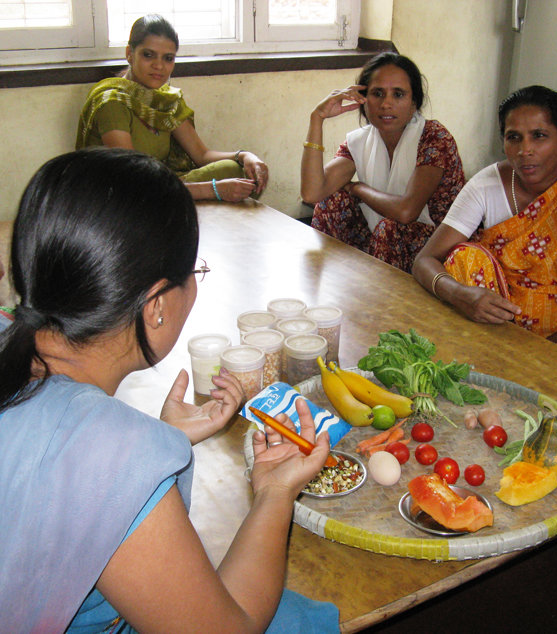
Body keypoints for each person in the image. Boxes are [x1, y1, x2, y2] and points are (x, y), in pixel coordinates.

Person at [0, 148, 338, 632]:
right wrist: (275, 493)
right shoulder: (109, 450)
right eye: (194, 272)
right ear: (156, 305)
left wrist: (156, 441)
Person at [412, 85, 557, 341]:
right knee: (466, 258)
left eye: (539, 136)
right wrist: (461, 295)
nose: (525, 150)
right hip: (497, 320)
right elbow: (425, 261)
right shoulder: (486, 186)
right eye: (514, 137)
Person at [301, 52, 466, 272]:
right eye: (377, 93)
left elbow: (407, 211)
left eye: (398, 94)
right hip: (386, 241)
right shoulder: (360, 141)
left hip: (440, 250)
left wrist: (358, 188)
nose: (386, 104)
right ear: (363, 100)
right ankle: (337, 282)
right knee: (332, 201)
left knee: (390, 229)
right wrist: (317, 118)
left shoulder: (434, 138)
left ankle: (383, 291)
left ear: (414, 103)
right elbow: (312, 193)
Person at [76, 14, 268, 202]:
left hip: (157, 185)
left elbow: (202, 155)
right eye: (148, 55)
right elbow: (132, 180)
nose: (159, 66)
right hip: (122, 196)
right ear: (129, 54)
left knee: (238, 170)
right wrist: (213, 190)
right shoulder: (113, 103)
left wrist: (245, 156)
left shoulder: (166, 101)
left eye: (168, 58)